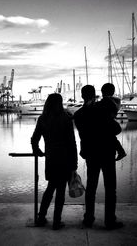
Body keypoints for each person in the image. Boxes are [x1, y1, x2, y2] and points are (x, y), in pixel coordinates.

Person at [74, 85, 124, 230]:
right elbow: (116, 129)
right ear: (95, 95)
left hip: (91, 153)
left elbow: (84, 135)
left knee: (91, 187)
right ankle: (110, 221)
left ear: (82, 96)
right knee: (110, 189)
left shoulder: (78, 115)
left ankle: (88, 218)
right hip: (107, 152)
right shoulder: (101, 109)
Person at [31, 93, 78, 230]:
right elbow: (72, 143)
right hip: (65, 158)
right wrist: (74, 163)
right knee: (61, 191)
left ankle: (41, 217)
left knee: (50, 188)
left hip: (51, 158)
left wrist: (37, 151)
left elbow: (34, 139)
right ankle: (56, 221)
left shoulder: (43, 118)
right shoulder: (66, 118)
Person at [100, 83, 126, 161]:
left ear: (102, 91)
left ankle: (121, 152)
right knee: (111, 137)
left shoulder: (108, 102)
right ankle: (121, 151)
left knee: (109, 136)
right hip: (112, 124)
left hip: (108, 124)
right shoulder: (116, 101)